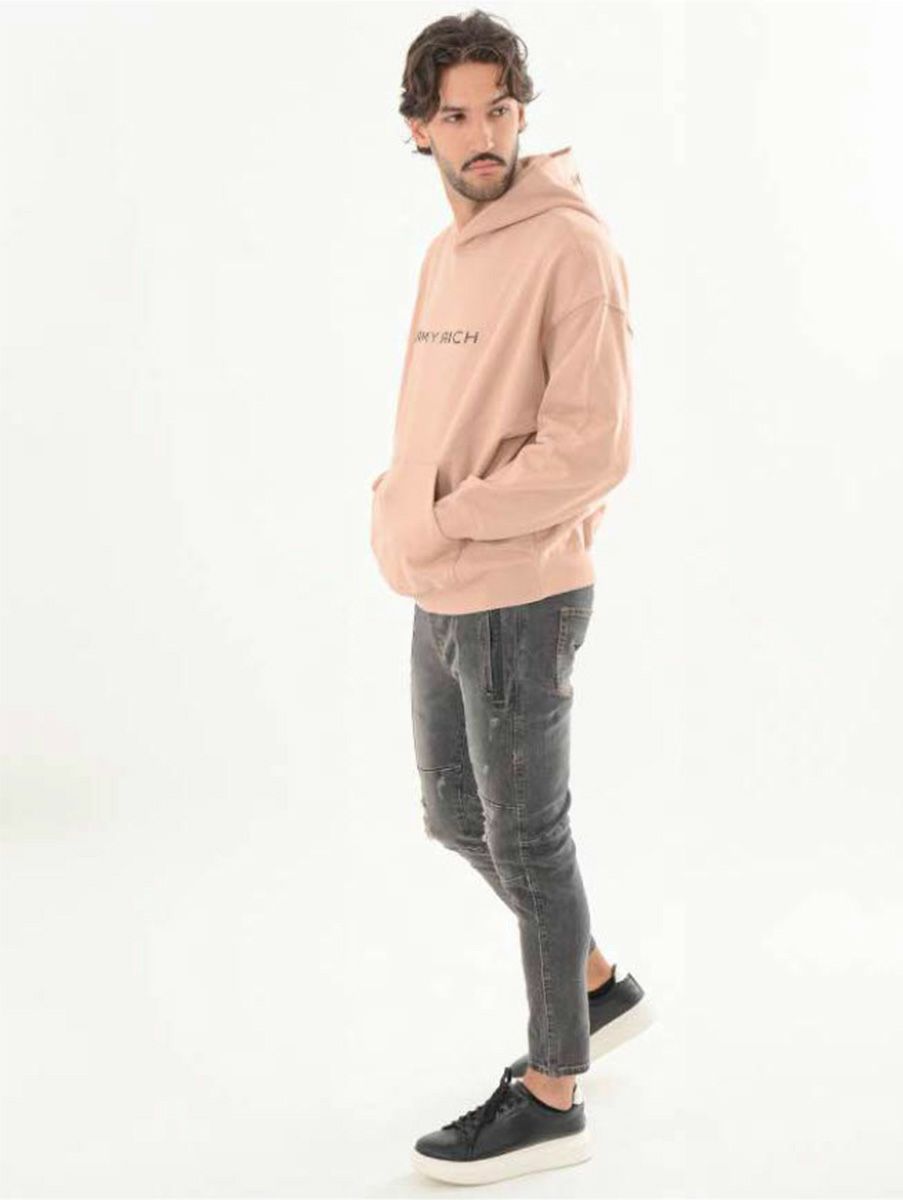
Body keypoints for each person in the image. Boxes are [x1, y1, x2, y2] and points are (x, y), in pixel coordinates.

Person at [369, 10, 655, 1186]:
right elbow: (437, 419)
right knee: (455, 817)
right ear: (418, 130)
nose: (481, 133)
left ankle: (552, 1092)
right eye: (456, 115)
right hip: (442, 583)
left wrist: (440, 516)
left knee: (528, 838)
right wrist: (399, 506)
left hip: (523, 591)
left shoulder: (571, 248)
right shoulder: (448, 254)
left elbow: (592, 449)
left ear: (522, 113)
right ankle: (594, 986)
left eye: (499, 108)